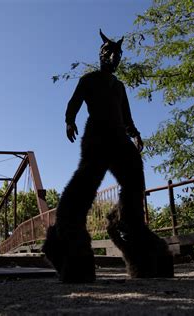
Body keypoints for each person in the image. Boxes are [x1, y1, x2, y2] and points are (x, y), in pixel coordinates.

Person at [42, 30, 173, 283]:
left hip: (119, 137)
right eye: (108, 53)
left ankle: (131, 227)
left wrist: (135, 133)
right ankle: (65, 233)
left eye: (117, 55)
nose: (112, 58)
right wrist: (70, 121)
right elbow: (74, 103)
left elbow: (126, 115)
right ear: (100, 55)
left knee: (135, 179)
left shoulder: (120, 87)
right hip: (97, 136)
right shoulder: (89, 80)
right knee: (86, 184)